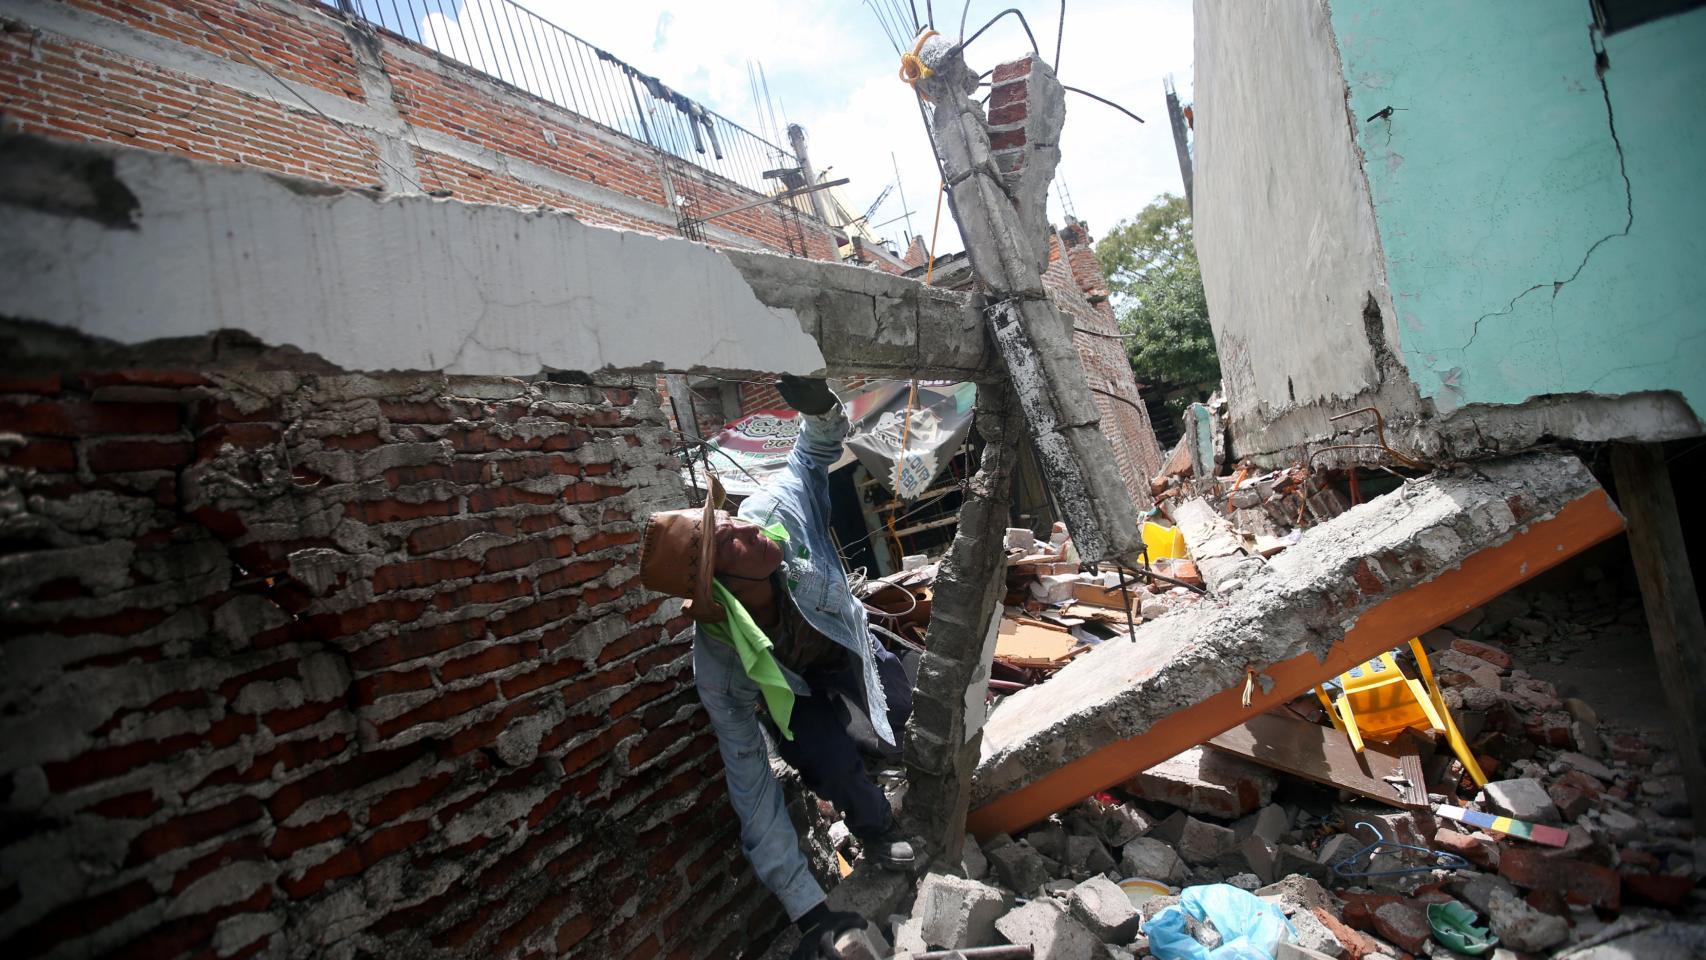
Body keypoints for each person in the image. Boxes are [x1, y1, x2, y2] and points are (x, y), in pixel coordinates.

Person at [638, 375, 919, 953]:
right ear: (720, 587)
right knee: (827, 761)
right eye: (728, 540)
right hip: (793, 691)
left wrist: (820, 409)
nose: (746, 524)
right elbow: (751, 785)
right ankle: (876, 826)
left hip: (847, 647)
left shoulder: (774, 513)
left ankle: (881, 753)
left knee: (899, 712)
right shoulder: (721, 664)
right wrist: (809, 911)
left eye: (730, 517)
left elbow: (812, 451)